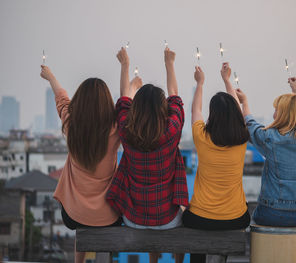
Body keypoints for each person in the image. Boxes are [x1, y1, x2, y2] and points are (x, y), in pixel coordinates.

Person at [106, 47, 188, 263]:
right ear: (162, 109)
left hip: (134, 217)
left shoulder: (126, 129)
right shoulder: (171, 130)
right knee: (179, 215)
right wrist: (169, 63)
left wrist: (125, 65)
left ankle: (153, 261)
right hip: (167, 218)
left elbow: (123, 100)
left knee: (154, 209)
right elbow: (176, 99)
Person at [40, 66, 125, 263]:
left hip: (73, 215)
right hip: (108, 217)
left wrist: (50, 76)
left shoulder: (71, 124)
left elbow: (61, 99)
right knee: (99, 221)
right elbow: (124, 105)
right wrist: (130, 79)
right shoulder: (114, 131)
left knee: (83, 219)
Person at [183, 63, 251, 263]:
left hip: (200, 217)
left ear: (212, 114)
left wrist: (200, 83)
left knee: (189, 222)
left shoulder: (202, 137)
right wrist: (227, 80)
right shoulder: (242, 139)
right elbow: (238, 112)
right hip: (235, 217)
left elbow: (196, 109)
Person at [235, 77, 296, 227]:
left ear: (284, 115)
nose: (274, 114)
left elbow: (250, 124)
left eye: (277, 110)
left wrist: (244, 102)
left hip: (274, 213)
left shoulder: (271, 139)